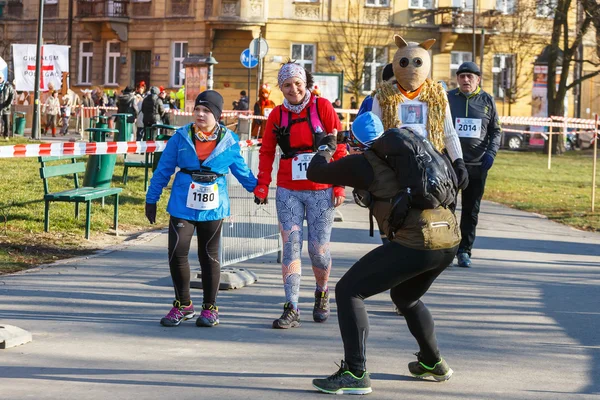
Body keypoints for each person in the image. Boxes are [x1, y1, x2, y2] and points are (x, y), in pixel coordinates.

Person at [307, 112, 460, 395]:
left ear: (355, 140)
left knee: (348, 290)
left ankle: (355, 372)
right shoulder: (412, 156)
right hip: (448, 238)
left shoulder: (363, 163)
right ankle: (432, 362)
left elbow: (315, 172)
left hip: (418, 242)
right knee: (406, 296)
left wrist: (326, 145)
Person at [145, 90, 258, 328]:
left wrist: (258, 190)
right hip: (182, 203)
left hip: (212, 207)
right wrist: (151, 198)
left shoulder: (228, 140)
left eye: (206, 110)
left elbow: (241, 170)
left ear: (217, 115)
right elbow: (164, 168)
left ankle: (210, 308)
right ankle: (183, 304)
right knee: (177, 253)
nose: (200, 114)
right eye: (197, 109)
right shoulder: (181, 137)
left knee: (209, 256)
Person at [254, 61, 346, 329]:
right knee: (291, 245)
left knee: (318, 250)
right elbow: (267, 151)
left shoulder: (322, 107)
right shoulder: (277, 115)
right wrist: (263, 183)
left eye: (297, 83)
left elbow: (338, 145)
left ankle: (322, 291)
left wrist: (339, 184)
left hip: (320, 189)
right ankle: (292, 306)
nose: (293, 89)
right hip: (288, 189)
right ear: (281, 88)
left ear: (305, 82)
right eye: (287, 85)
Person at [447, 61, 502, 268]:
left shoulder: (487, 100)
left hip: (477, 164)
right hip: (451, 164)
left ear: (478, 79)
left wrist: (491, 153)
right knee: (447, 208)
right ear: (457, 79)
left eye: (470, 76)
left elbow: (496, 131)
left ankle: (464, 250)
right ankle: (447, 248)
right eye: (462, 76)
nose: (466, 80)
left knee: (471, 210)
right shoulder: (449, 98)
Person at [0, 73, 15, 140]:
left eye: (0, 78)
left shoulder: (8, 86)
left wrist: (8, 104)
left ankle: (6, 135)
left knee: (6, 122)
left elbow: (12, 96)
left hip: (6, 106)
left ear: (3, 78)